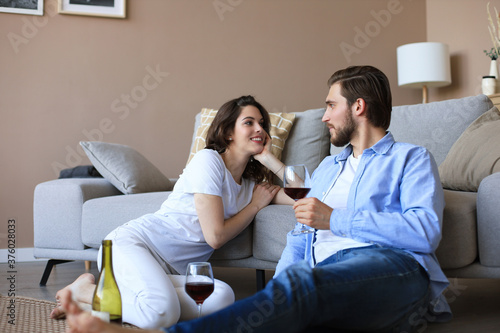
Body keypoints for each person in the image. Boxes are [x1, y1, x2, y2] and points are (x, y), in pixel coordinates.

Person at [59, 65, 451, 333]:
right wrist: (276, 295)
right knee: (290, 290)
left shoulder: (410, 159)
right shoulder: (329, 169)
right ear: (228, 131)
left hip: (385, 262)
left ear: (358, 107)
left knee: (255, 294)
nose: (323, 116)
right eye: (250, 123)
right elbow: (301, 223)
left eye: (330, 105)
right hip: (316, 272)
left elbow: (425, 231)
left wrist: (334, 219)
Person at [50, 95, 281, 329]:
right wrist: (254, 207)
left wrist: (271, 160)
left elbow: (307, 193)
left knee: (222, 297)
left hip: (168, 271)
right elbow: (215, 236)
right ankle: (87, 292)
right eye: (249, 122)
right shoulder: (208, 161)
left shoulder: (252, 186)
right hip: (133, 246)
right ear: (228, 132)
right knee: (162, 314)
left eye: (262, 123)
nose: (259, 129)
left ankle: (109, 297)